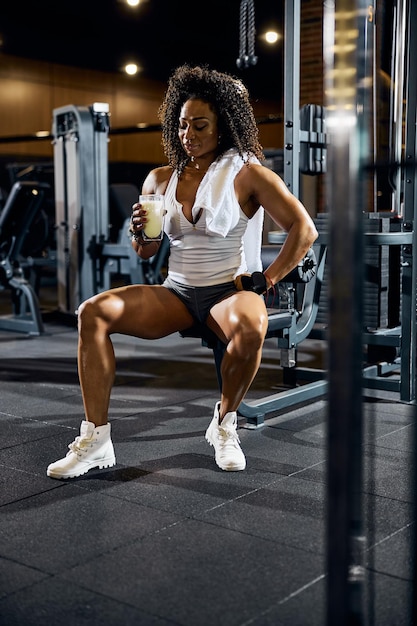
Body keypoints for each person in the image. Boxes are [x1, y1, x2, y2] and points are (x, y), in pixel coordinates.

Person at [47, 64, 318, 479]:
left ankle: (225, 425)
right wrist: (139, 232)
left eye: (200, 126)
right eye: (182, 125)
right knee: (92, 312)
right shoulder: (159, 179)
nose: (188, 135)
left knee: (252, 325)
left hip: (228, 291)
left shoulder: (250, 176)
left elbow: (304, 229)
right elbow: (146, 251)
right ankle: (95, 440)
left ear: (224, 126)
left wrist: (268, 278)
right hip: (177, 291)